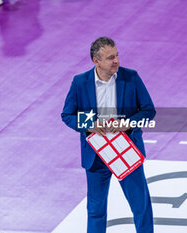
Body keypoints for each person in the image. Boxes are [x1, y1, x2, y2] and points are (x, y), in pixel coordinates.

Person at [61, 37, 155, 233]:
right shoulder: (80, 82)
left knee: (140, 206)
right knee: (95, 210)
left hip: (126, 150)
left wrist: (127, 123)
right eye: (110, 57)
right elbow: (67, 114)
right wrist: (89, 125)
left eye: (117, 55)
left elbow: (148, 111)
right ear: (96, 61)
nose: (116, 61)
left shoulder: (131, 77)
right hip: (96, 154)